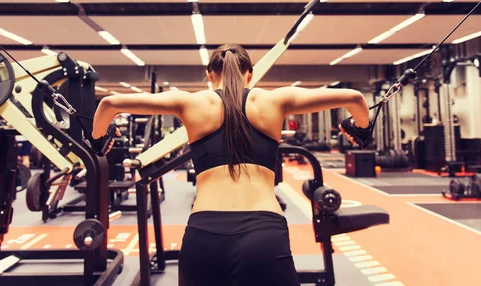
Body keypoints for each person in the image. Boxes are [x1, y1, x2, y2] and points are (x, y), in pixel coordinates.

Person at [91, 44, 371, 286]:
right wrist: (359, 127)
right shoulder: (274, 100)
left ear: (210, 76)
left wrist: (99, 139)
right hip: (264, 234)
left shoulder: (191, 103)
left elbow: (110, 104)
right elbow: (354, 98)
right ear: (249, 74)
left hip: (203, 236)